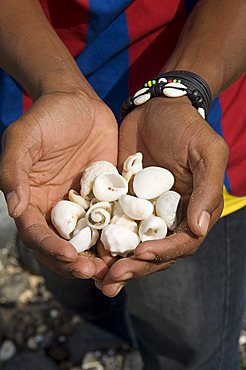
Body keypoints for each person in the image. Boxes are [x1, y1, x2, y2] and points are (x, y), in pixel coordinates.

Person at [0, 0, 245, 369]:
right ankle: (129, 338)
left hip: (194, 123)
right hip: (48, 125)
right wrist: (57, 85)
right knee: (74, 288)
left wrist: (185, 87)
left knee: (189, 344)